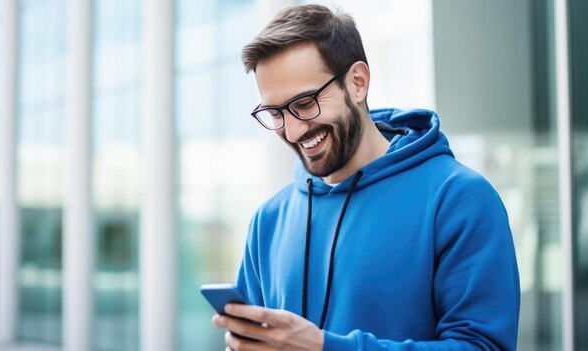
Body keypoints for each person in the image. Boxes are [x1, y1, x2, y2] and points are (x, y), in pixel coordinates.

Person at [212, 4, 520, 351]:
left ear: (357, 82)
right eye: (276, 112)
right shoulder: (268, 220)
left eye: (305, 103)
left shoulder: (458, 199)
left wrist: (325, 347)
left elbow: (483, 347)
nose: (294, 129)